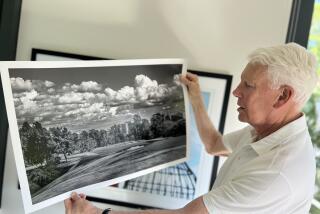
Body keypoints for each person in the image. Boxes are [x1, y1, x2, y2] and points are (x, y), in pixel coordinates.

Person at [64, 43, 319, 214]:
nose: (236, 91)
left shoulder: (278, 171)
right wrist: (195, 97)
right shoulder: (264, 134)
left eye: (248, 85)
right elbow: (214, 145)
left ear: (282, 96)